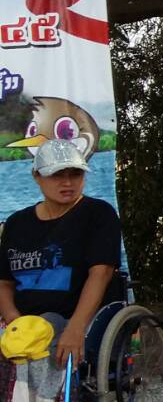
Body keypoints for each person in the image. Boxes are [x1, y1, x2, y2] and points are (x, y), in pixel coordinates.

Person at [0, 139, 122, 366]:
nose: (67, 182)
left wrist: (76, 328)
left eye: (75, 174)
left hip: (68, 319)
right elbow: (4, 283)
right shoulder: (16, 223)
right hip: (22, 322)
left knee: (41, 337)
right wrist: (14, 321)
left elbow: (101, 273)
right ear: (36, 176)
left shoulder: (98, 214)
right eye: (57, 174)